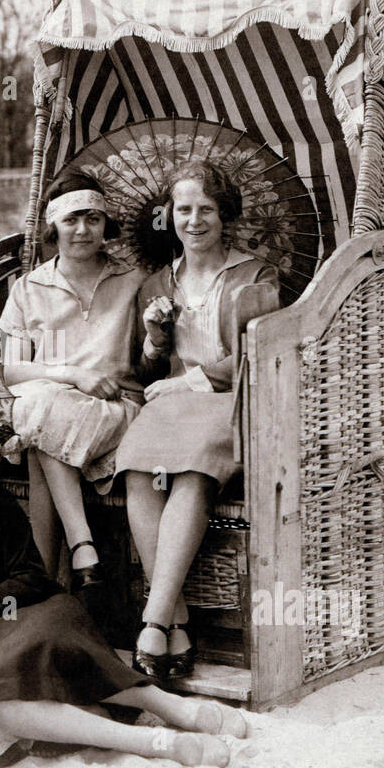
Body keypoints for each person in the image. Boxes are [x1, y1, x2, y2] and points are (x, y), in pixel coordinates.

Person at [0, 381, 245, 768]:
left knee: (54, 637)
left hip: (21, 618)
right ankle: (155, 743)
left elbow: (33, 580)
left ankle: (171, 707)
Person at [115, 160, 281, 680]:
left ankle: (153, 619)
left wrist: (189, 381)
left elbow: (259, 356)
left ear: (223, 214)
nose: (194, 220)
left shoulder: (255, 275)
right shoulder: (159, 282)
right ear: (171, 216)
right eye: (183, 209)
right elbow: (144, 372)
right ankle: (176, 623)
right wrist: (154, 337)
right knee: (138, 469)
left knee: (191, 472)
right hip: (166, 404)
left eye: (205, 209)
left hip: (227, 403)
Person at [0, 172, 145, 593]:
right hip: (52, 411)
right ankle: (76, 559)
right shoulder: (29, 287)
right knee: (43, 409)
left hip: (116, 411)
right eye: (72, 219)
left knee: (38, 422)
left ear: (105, 224)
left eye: (93, 219)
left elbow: (149, 363)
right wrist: (71, 374)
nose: (83, 230)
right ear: (53, 225)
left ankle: (50, 582)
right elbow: (10, 370)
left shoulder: (132, 281)